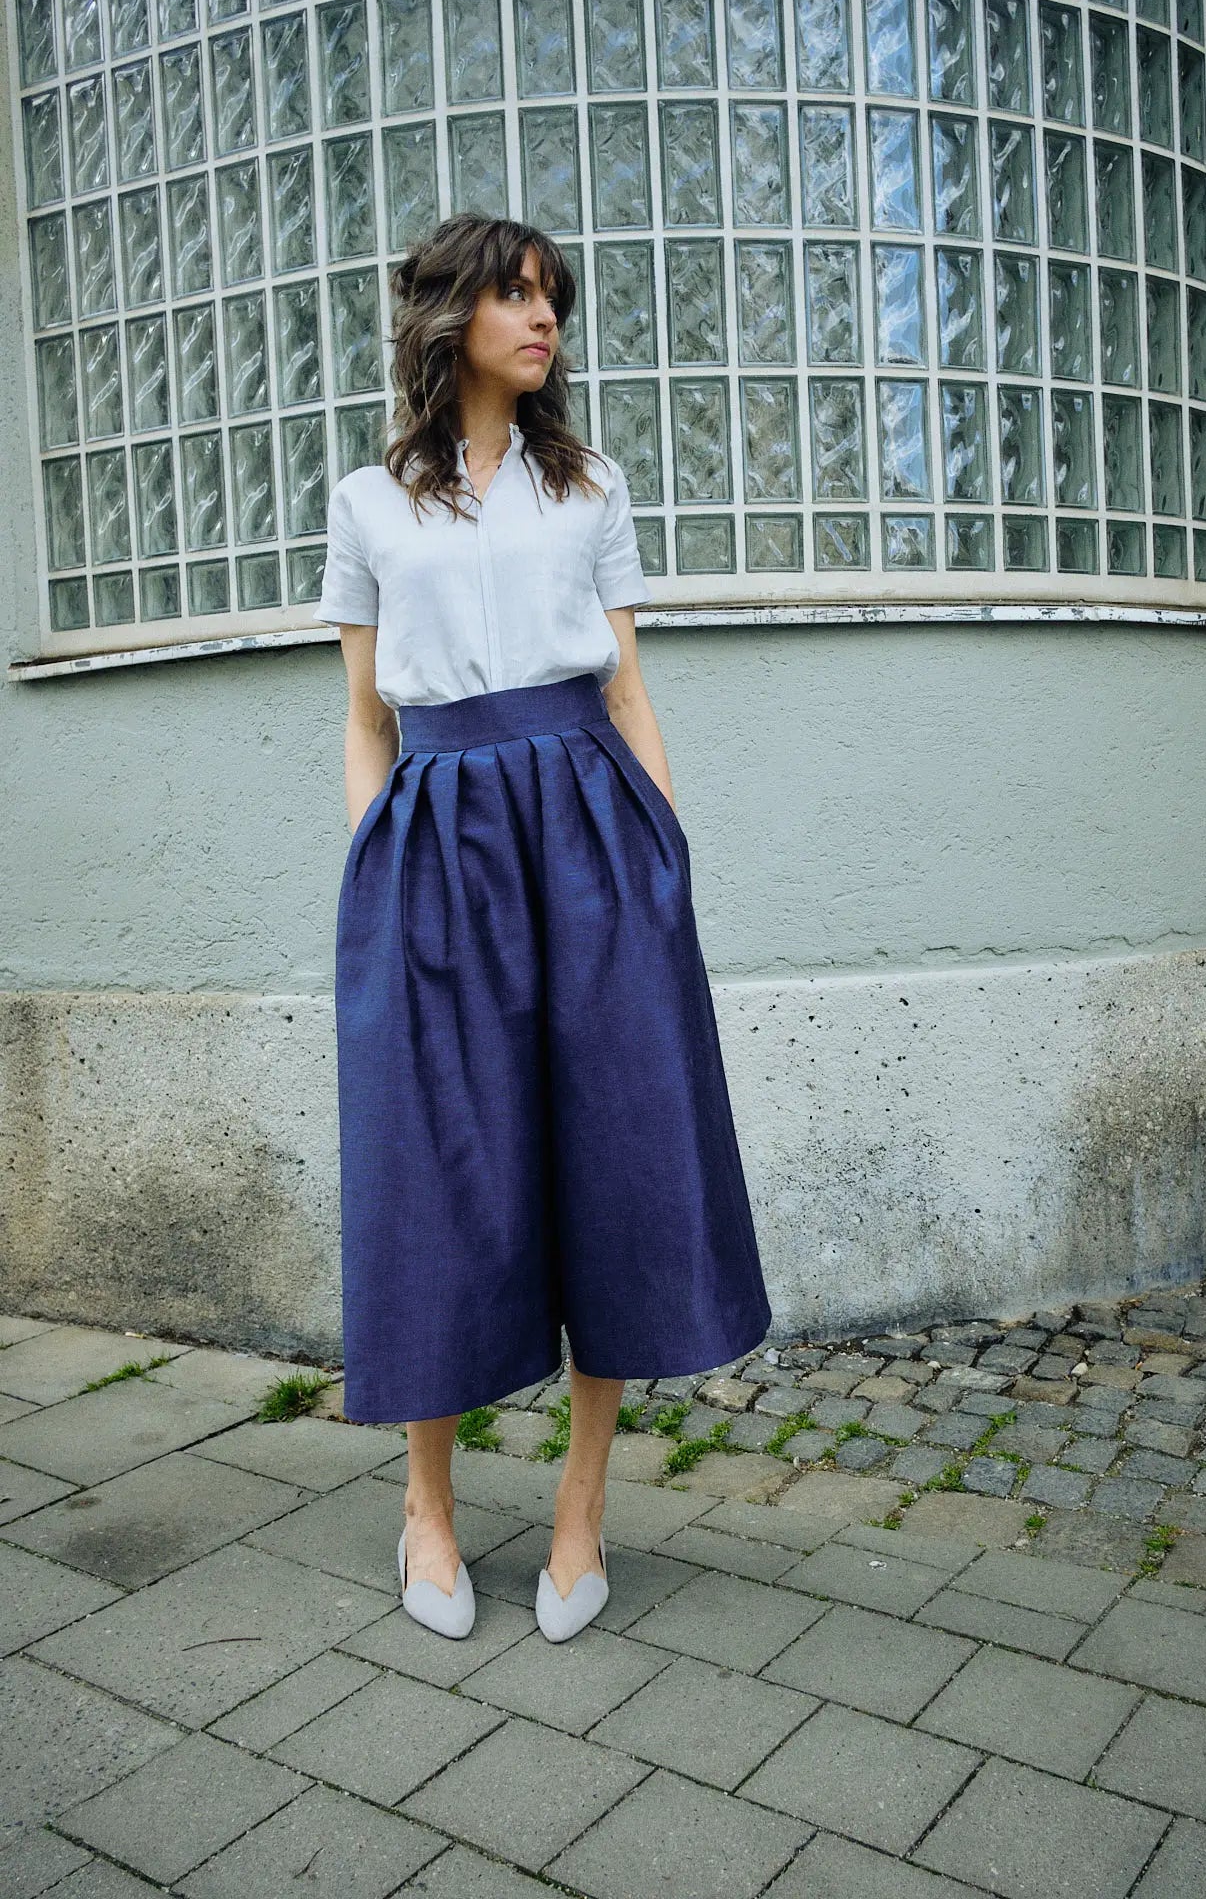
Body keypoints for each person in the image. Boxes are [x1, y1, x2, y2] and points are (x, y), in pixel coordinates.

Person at [315, 212, 772, 1644]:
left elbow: (627, 693)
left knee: (617, 1157)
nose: (543, 318)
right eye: (515, 294)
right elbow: (365, 720)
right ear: (450, 314)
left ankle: (580, 1514)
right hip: (437, 842)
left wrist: (661, 862)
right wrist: (378, 875)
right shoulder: (369, 503)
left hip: (592, 836)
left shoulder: (591, 488)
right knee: (436, 1169)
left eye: (551, 298)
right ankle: (428, 1510)